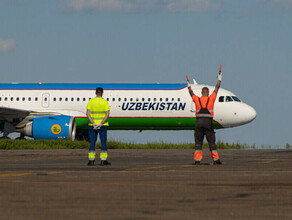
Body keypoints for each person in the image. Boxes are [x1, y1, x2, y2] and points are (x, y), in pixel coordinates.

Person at [187, 71, 222, 165]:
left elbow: (191, 93)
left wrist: (189, 86)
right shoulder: (211, 98)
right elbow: (217, 88)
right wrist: (219, 79)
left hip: (198, 122)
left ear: (202, 93)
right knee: (211, 141)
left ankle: (197, 160)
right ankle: (216, 159)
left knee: (198, 142)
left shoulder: (197, 99)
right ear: (208, 93)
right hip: (208, 122)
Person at [86, 87, 111, 166]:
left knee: (92, 142)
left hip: (92, 125)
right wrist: (101, 123)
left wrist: (93, 123)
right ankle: (103, 160)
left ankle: (91, 160)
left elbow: (87, 113)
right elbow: (107, 114)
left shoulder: (91, 101)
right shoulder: (104, 102)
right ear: (102, 93)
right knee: (103, 142)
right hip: (102, 125)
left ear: (96, 93)